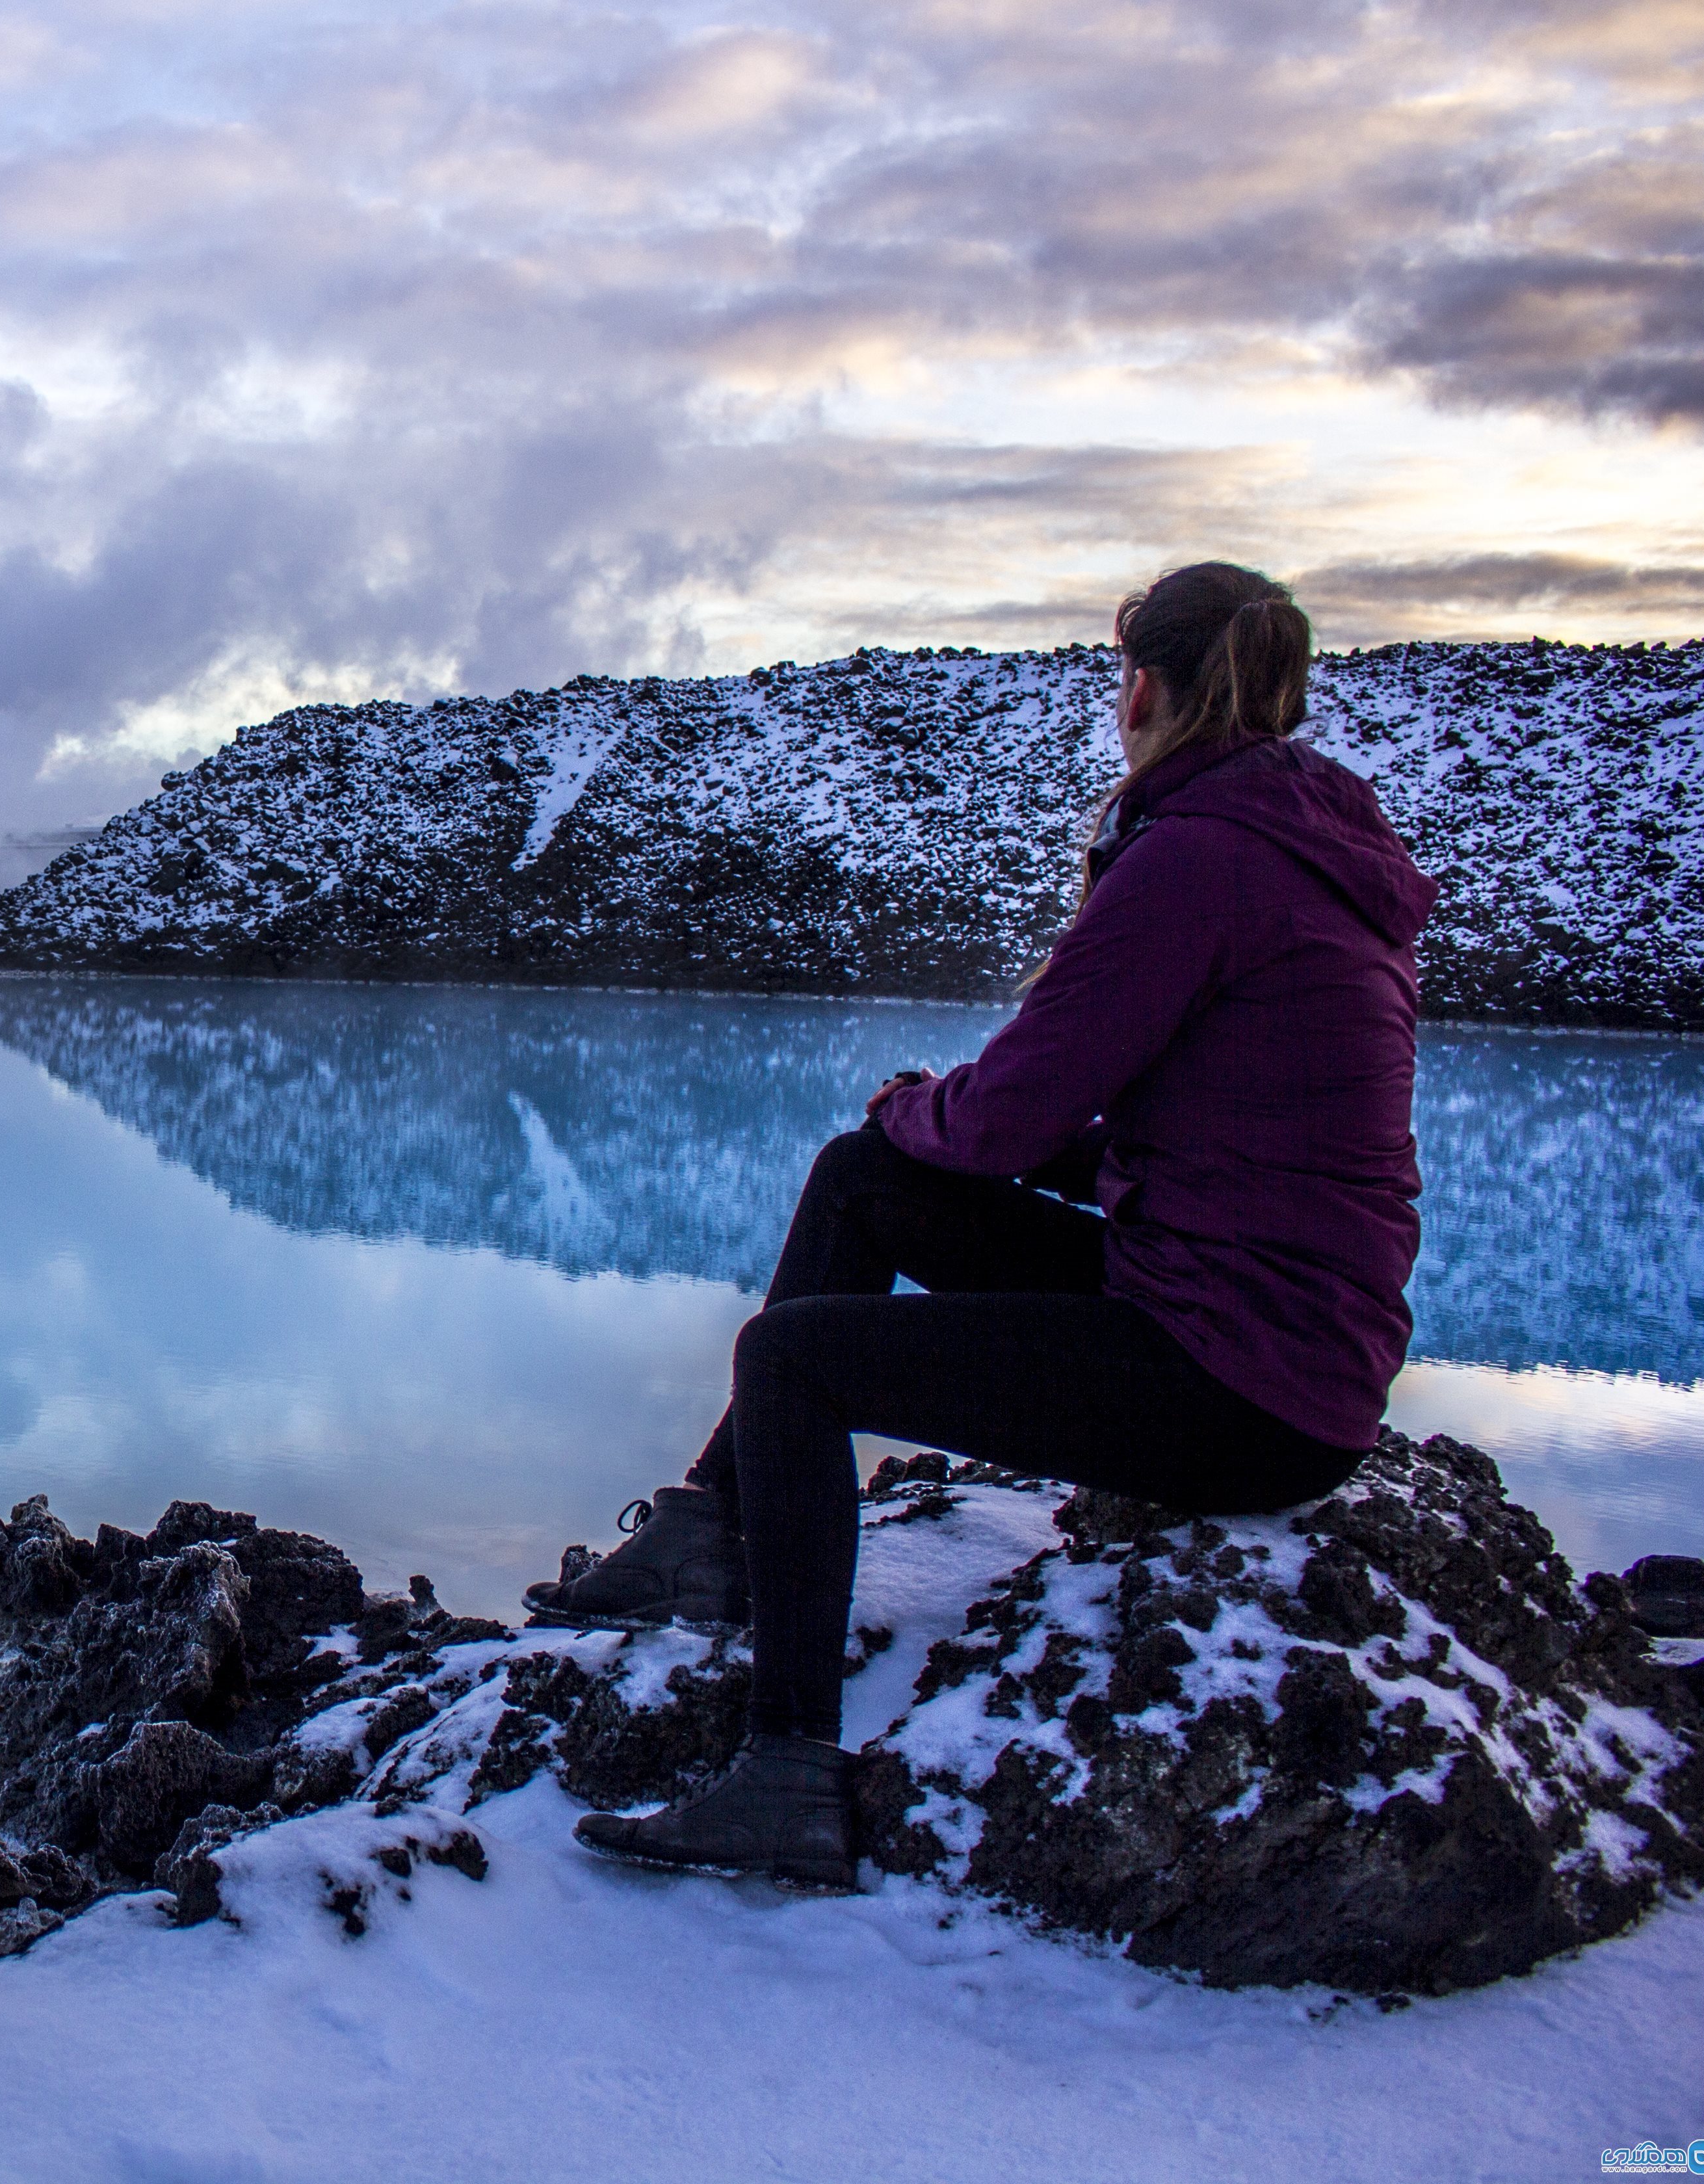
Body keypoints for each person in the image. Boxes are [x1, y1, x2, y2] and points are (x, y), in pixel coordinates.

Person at [545, 560, 1435, 1892]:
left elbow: (1014, 1119)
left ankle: (789, 1775)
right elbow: (1204, 1147)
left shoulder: (1202, 859)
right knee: (862, 1179)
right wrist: (914, 1134)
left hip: (1240, 1383)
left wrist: (924, 1109)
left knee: (795, 1358)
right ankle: (705, 1531)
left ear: (1149, 687)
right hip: (1260, 1336)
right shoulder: (1303, 848)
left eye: (1125, 669)